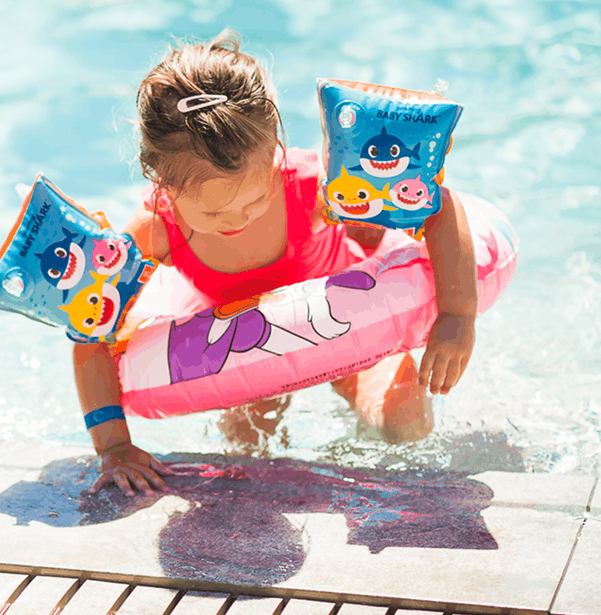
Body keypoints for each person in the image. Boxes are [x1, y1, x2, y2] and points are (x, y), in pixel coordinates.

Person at [74, 30, 478, 497]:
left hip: (349, 321)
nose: (237, 220)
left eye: (255, 199)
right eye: (213, 214)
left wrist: (457, 315)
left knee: (404, 422)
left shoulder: (311, 186)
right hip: (245, 349)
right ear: (161, 182)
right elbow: (89, 331)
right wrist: (113, 446)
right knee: (248, 461)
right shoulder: (156, 229)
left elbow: (437, 207)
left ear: (274, 152)